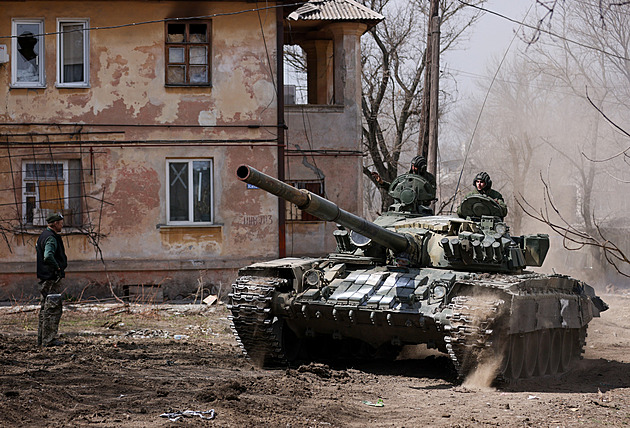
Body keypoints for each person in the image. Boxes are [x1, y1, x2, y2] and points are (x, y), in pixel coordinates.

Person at [36, 212, 67, 347]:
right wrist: (58, 268)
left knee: (44, 308)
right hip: (51, 278)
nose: (62, 225)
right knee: (52, 308)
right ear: (55, 223)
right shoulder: (51, 238)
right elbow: (48, 256)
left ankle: (42, 339)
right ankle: (49, 340)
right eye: (60, 222)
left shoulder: (43, 235)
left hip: (44, 277)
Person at [371, 155, 436, 190]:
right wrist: (382, 182)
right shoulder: (407, 176)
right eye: (412, 166)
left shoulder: (429, 179)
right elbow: (395, 188)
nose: (413, 168)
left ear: (421, 168)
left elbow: (431, 192)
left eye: (415, 166)